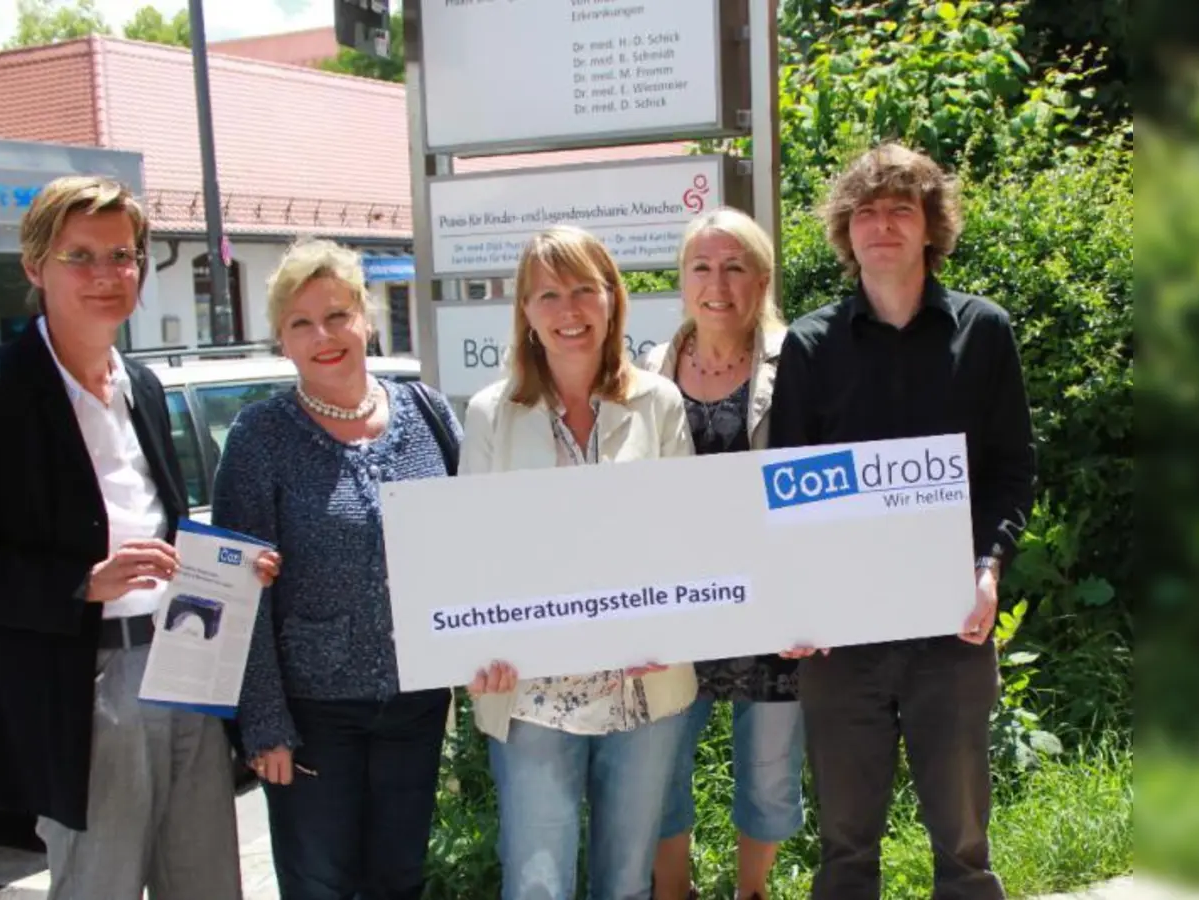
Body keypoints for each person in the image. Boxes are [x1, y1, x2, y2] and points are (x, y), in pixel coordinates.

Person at [0, 175, 272, 900]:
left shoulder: (144, 385)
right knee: (99, 884)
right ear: (34, 266)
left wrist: (225, 567)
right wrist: (81, 582)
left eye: (122, 255)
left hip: (182, 663)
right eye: (80, 257)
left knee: (207, 883)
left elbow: (153, 520)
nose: (106, 275)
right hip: (82, 683)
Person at [769, 143, 1037, 900]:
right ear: (845, 230)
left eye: (899, 210)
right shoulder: (811, 346)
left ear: (930, 227)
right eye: (865, 212)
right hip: (841, 636)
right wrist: (796, 601)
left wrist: (988, 569)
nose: (881, 225)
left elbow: (1012, 470)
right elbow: (785, 492)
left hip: (950, 625)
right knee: (845, 845)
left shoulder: (983, 331)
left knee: (964, 843)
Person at [211, 238, 463, 900]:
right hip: (312, 715)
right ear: (282, 341)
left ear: (366, 319)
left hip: (416, 703)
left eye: (337, 315)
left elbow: (473, 544)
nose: (323, 336)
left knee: (398, 879)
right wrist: (264, 724)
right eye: (301, 323)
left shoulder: (428, 414)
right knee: (319, 886)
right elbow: (241, 589)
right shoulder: (260, 439)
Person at [462, 225, 698, 900]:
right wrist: (480, 648)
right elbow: (470, 551)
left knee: (626, 882)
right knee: (537, 883)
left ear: (612, 299)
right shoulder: (491, 414)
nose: (569, 310)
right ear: (526, 312)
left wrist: (670, 630)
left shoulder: (658, 402)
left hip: (643, 683)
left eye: (584, 290)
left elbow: (687, 536)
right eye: (549, 295)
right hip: (530, 690)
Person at [636, 207, 806, 900]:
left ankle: (751, 893)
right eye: (701, 267)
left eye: (735, 267)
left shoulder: (799, 364)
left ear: (762, 279)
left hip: (772, 607)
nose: (717, 284)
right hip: (675, 608)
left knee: (769, 769)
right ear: (682, 280)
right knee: (658, 770)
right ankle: (673, 892)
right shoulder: (646, 370)